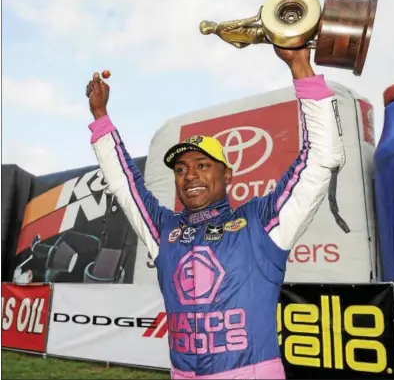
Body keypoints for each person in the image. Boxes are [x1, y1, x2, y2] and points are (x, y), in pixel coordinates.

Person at [85, 45, 345, 380]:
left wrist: (299, 67)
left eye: (203, 165)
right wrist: (101, 119)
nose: (189, 175)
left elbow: (320, 159)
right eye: (180, 169)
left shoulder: (261, 221)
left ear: (228, 174)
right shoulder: (164, 229)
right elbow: (125, 185)